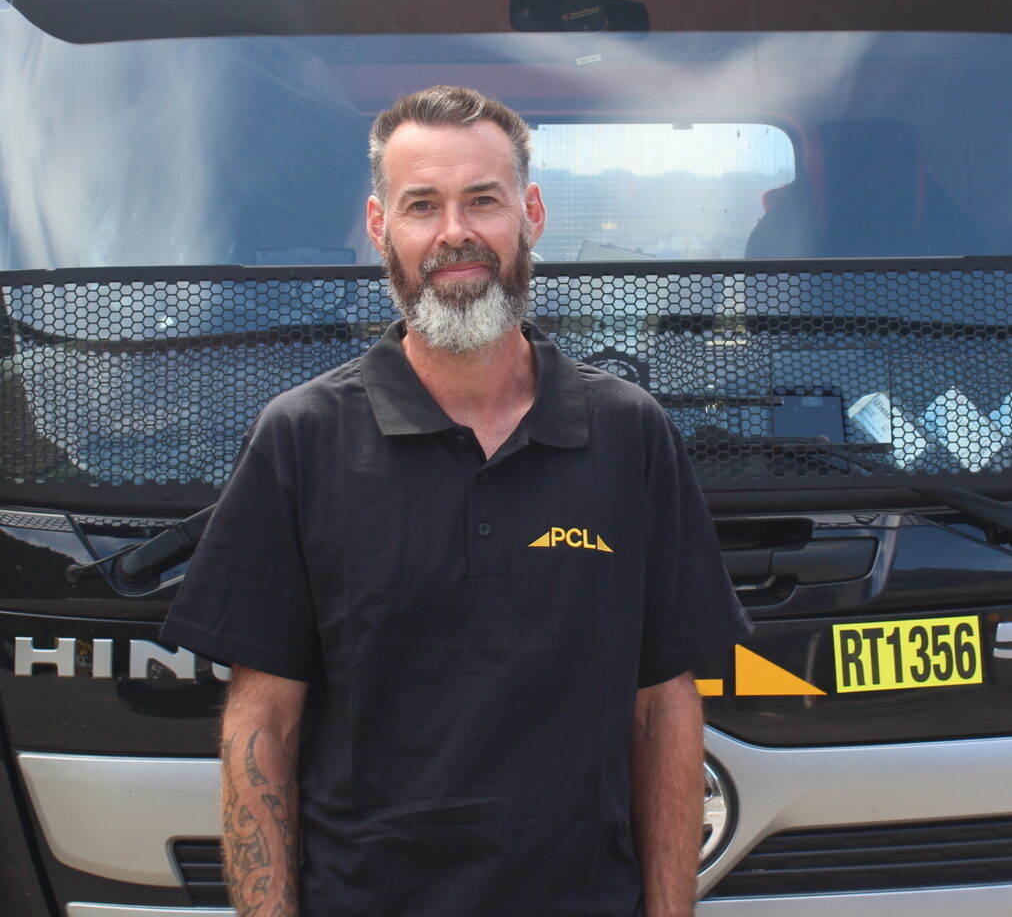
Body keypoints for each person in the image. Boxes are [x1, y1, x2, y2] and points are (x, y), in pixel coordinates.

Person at [160, 85, 751, 917]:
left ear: (531, 212)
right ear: (380, 228)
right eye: (422, 205)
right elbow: (262, 726)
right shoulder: (301, 438)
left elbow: (664, 712)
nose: (455, 233)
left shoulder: (629, 434)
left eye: (483, 200)